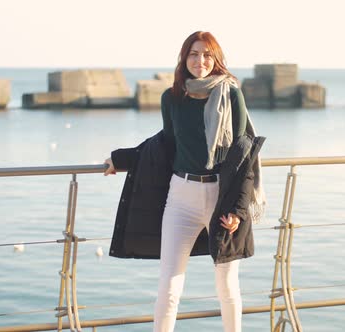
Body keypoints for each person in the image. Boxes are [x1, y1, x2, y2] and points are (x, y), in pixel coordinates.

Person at [104, 31, 265, 332]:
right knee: (169, 285)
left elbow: (243, 154)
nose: (200, 60)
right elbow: (165, 144)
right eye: (193, 53)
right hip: (181, 197)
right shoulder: (172, 98)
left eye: (206, 54)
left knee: (227, 286)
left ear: (216, 59)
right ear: (184, 58)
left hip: (222, 198)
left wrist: (237, 211)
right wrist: (122, 159)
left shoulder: (231, 95)